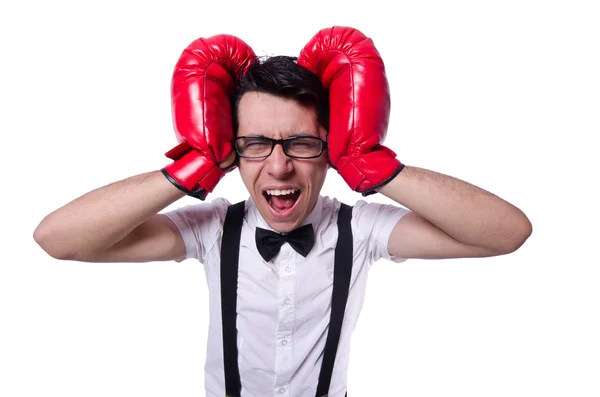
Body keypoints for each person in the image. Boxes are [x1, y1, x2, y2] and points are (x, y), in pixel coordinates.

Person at [33, 26, 532, 397]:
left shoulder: (360, 229)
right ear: (233, 148)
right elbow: (59, 239)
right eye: (255, 144)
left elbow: (507, 233)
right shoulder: (212, 229)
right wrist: (191, 168)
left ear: (331, 147)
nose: (278, 166)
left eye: (298, 143)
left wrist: (374, 165)